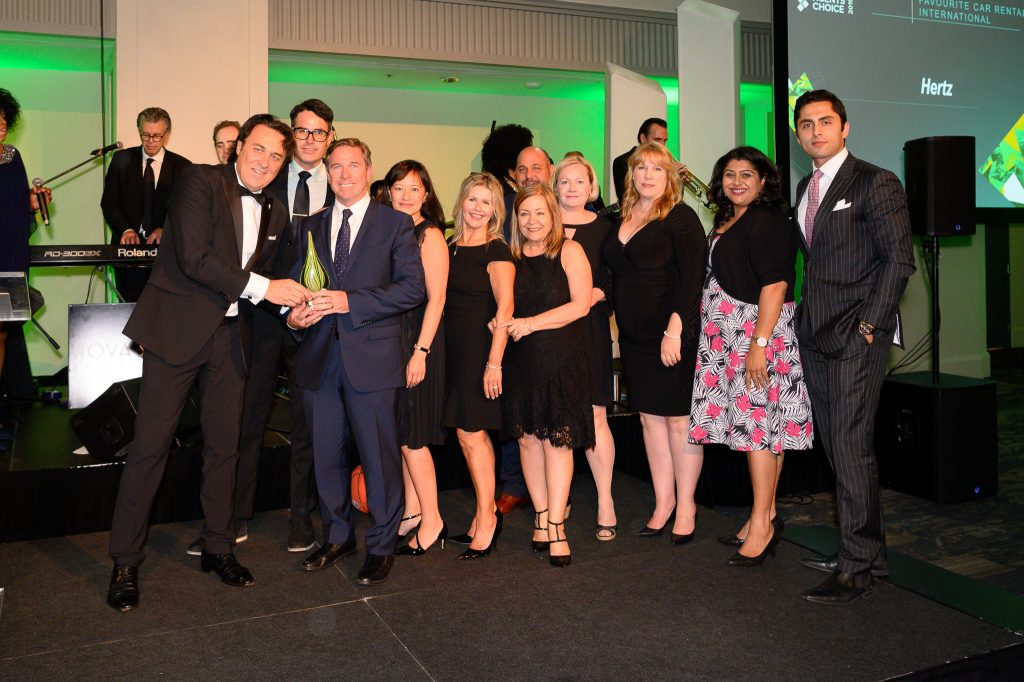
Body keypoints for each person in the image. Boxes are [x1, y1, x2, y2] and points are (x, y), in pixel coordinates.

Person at [106, 114, 311, 612]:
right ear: (238, 147)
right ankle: (125, 561)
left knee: (225, 447)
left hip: (230, 339)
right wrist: (269, 289)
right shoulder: (198, 181)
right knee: (150, 447)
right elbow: (195, 259)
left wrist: (292, 310)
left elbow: (269, 284)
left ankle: (219, 547)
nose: (265, 161)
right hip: (177, 331)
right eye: (258, 149)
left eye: (276, 156)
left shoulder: (276, 211)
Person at [186, 100, 335, 557]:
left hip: (319, 317)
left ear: (329, 137)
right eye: (302, 131)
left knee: (309, 421)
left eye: (319, 132)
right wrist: (274, 299)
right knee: (247, 416)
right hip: (261, 314)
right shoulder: (264, 176)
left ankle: (301, 516)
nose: (309, 139)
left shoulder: (342, 182)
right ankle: (232, 517)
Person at [792, 90, 915, 604]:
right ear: (798, 135)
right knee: (839, 447)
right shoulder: (806, 186)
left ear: (845, 128)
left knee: (849, 446)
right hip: (815, 334)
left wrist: (869, 325)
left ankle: (857, 566)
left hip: (855, 336)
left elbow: (898, 260)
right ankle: (866, 552)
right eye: (806, 124)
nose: (816, 131)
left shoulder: (875, 180)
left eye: (826, 122)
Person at [286, 138, 424, 586]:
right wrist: (293, 316)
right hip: (319, 359)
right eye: (336, 166)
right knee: (325, 458)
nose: (344, 174)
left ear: (368, 169)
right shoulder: (309, 225)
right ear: (326, 172)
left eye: (353, 165)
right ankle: (338, 536)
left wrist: (351, 301)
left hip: (373, 360)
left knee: (379, 459)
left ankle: (381, 546)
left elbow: (412, 289)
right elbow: (294, 287)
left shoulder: (396, 224)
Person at [687, 146, 813, 566]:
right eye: (729, 174)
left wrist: (758, 345)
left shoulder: (769, 220)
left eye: (746, 174)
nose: (736, 181)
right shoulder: (729, 218)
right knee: (763, 429)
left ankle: (761, 524)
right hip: (727, 336)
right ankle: (766, 514)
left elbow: (775, 285)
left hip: (755, 335)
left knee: (756, 430)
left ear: (763, 181)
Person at [603, 142, 706, 543]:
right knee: (649, 420)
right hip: (633, 337)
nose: (647, 175)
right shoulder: (622, 215)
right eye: (641, 168)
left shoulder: (680, 217)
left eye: (657, 169)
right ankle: (663, 504)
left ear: (670, 176)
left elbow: (692, 278)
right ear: (631, 174)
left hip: (671, 335)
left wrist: (675, 330)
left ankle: (687, 506)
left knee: (678, 421)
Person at [502, 184, 594, 567]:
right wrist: (500, 322)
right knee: (527, 442)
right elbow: (503, 306)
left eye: (540, 212)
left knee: (557, 444)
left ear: (553, 215)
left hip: (560, 362)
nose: (532, 221)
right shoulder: (510, 257)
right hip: (520, 363)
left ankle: (557, 524)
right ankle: (540, 516)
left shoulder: (570, 251)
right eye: (525, 213)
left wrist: (530, 323)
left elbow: (581, 305)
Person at [376, 160, 450, 556]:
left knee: (413, 438)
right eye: (399, 188)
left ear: (426, 194)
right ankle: (412, 510)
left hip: (420, 342)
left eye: (414, 189)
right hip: (393, 343)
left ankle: (433, 520)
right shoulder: (388, 230)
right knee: (403, 434)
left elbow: (437, 300)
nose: (406, 195)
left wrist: (420, 352)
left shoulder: (430, 235)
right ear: (389, 192)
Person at [442, 172, 515, 559]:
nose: (477, 208)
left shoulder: (496, 250)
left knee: (472, 435)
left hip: (479, 353)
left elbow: (506, 308)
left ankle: (487, 518)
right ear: (462, 202)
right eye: (473, 199)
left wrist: (494, 363)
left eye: (486, 202)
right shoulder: (450, 246)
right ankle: (483, 513)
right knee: (467, 435)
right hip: (451, 352)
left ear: (495, 210)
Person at [488, 144, 556, 518]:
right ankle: (516, 486)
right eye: (522, 169)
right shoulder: (506, 210)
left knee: (553, 426)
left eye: (536, 167)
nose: (529, 174)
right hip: (514, 330)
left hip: (557, 334)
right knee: (517, 419)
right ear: (513, 174)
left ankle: (554, 497)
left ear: (550, 170)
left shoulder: (564, 208)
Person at [552, 153, 617, 540]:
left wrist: (596, 293)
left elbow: (616, 280)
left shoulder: (607, 229)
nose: (572, 188)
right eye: (565, 181)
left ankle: (605, 500)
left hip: (589, 330)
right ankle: (557, 502)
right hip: (548, 334)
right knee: (556, 419)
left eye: (580, 181)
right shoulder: (541, 223)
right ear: (555, 187)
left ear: (592, 187)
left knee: (595, 416)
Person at [0, 88, 52, 437]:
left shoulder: (12, 156)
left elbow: (20, 206)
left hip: (10, 255)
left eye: (4, 121)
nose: (2, 126)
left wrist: (33, 203)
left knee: (2, 333)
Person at [100, 107, 191, 302]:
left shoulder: (183, 167)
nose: (150, 141)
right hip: (127, 254)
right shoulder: (121, 159)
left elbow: (185, 211)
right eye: (145, 135)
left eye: (157, 136)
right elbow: (109, 202)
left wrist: (165, 229)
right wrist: (125, 230)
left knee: (162, 311)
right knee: (129, 310)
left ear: (167, 134)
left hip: (166, 254)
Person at [611, 117, 668, 204]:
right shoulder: (623, 162)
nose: (662, 145)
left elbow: (674, 198)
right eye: (657, 139)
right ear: (643, 138)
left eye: (664, 141)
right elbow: (627, 198)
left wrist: (676, 178)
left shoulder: (665, 162)